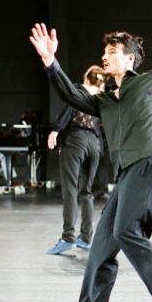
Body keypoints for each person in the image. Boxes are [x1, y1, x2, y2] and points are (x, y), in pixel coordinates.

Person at [29, 23, 152, 302]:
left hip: (150, 162)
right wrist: (50, 61)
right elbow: (70, 93)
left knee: (126, 230)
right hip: (125, 175)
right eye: (105, 52)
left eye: (112, 52)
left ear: (129, 59)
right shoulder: (104, 100)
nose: (104, 56)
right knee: (102, 244)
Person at [46, 65, 105, 254]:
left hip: (75, 141)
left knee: (70, 189)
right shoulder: (101, 99)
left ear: (86, 78)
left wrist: (56, 130)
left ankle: (68, 237)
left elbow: (69, 110)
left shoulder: (78, 91)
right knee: (86, 191)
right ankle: (86, 237)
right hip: (95, 144)